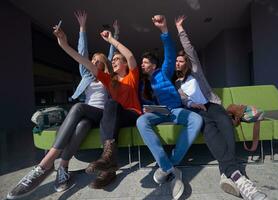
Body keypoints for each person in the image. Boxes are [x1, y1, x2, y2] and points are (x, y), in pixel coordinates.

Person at [6, 11, 119, 199]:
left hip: (100, 113)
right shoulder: (86, 76)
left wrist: (115, 35)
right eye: (92, 61)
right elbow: (80, 53)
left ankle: (45, 164)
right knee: (81, 125)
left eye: (97, 61)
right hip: (87, 117)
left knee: (77, 107)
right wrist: (79, 30)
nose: (92, 62)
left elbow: (111, 53)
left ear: (103, 63)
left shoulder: (108, 78)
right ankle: (63, 168)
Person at [174, 15, 269, 200]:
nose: (178, 63)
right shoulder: (177, 84)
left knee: (226, 123)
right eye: (176, 61)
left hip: (213, 105)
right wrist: (192, 103)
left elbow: (189, 49)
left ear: (186, 62)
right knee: (210, 133)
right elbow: (184, 102)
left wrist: (179, 28)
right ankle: (237, 176)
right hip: (198, 111)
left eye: (181, 60)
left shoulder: (196, 72)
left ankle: (227, 173)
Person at [53, 22, 141, 189]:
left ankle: (107, 162)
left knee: (111, 103)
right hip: (114, 118)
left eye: (116, 59)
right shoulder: (110, 81)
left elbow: (129, 56)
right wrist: (64, 45)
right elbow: (85, 62)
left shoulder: (132, 76)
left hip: (132, 114)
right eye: (112, 59)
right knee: (109, 106)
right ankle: (108, 165)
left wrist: (111, 40)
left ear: (124, 64)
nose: (113, 61)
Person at [136, 15, 203, 200]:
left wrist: (164, 30)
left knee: (196, 120)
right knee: (141, 121)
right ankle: (170, 169)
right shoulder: (142, 84)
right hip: (156, 114)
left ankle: (169, 164)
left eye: (145, 62)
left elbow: (170, 53)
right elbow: (143, 105)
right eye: (141, 63)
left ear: (154, 65)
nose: (142, 64)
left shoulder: (163, 72)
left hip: (173, 110)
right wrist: (146, 109)